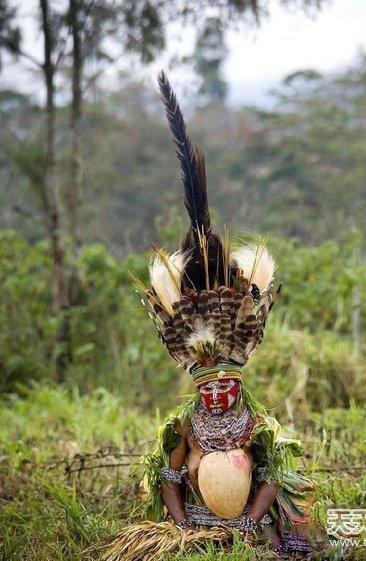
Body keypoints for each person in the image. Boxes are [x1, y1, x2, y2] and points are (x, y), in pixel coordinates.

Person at [134, 72, 315, 558]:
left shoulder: (253, 423)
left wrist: (253, 521)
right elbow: (170, 475)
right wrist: (180, 526)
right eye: (208, 387)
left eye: (223, 387)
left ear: (238, 386)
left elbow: (273, 474)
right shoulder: (184, 426)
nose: (215, 394)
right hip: (196, 526)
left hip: (247, 531)